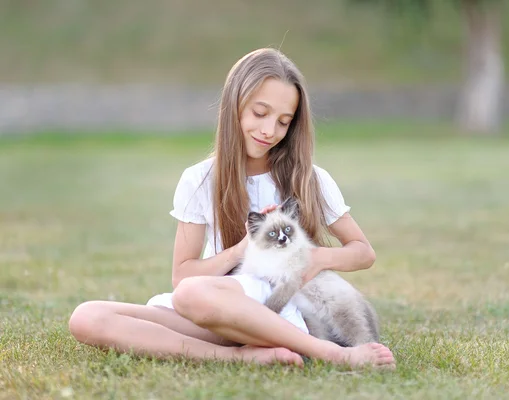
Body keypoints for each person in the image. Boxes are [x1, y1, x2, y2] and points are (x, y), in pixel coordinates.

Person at [68, 48, 395, 369]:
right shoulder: (199, 180)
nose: (269, 131)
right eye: (260, 113)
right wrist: (241, 250)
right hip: (220, 307)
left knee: (192, 296)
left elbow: (363, 251)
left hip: (284, 308)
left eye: (283, 122)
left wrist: (315, 258)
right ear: (234, 105)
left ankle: (327, 352)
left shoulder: (308, 178)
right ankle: (238, 356)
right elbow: (182, 276)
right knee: (88, 317)